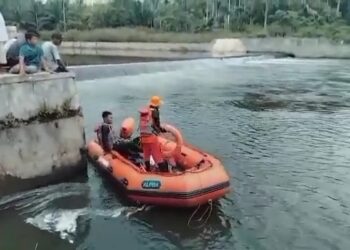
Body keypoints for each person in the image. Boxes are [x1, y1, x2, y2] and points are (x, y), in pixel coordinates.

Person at [139, 106, 168, 173]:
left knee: (146, 155)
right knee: (158, 156)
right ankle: (165, 173)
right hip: (152, 140)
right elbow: (156, 127)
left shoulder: (141, 119)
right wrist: (162, 131)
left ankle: (148, 170)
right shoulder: (151, 117)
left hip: (144, 139)